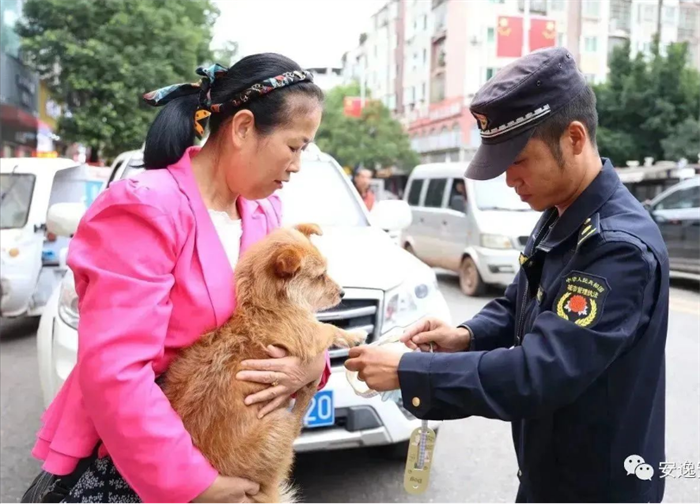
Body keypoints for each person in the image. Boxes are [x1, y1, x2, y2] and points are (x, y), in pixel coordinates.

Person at [345, 47, 669, 503]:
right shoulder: (562, 215)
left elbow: (539, 372)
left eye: (518, 160)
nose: (509, 180)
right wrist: (464, 335)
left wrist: (410, 370)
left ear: (574, 139)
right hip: (548, 475)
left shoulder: (618, 247)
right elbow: (519, 304)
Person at [24, 53, 328, 503]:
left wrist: (308, 368)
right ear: (243, 128)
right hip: (143, 467)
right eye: (294, 146)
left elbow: (286, 315)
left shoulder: (264, 212)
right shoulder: (145, 207)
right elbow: (117, 369)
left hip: (229, 447)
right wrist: (196, 485)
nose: (298, 164)